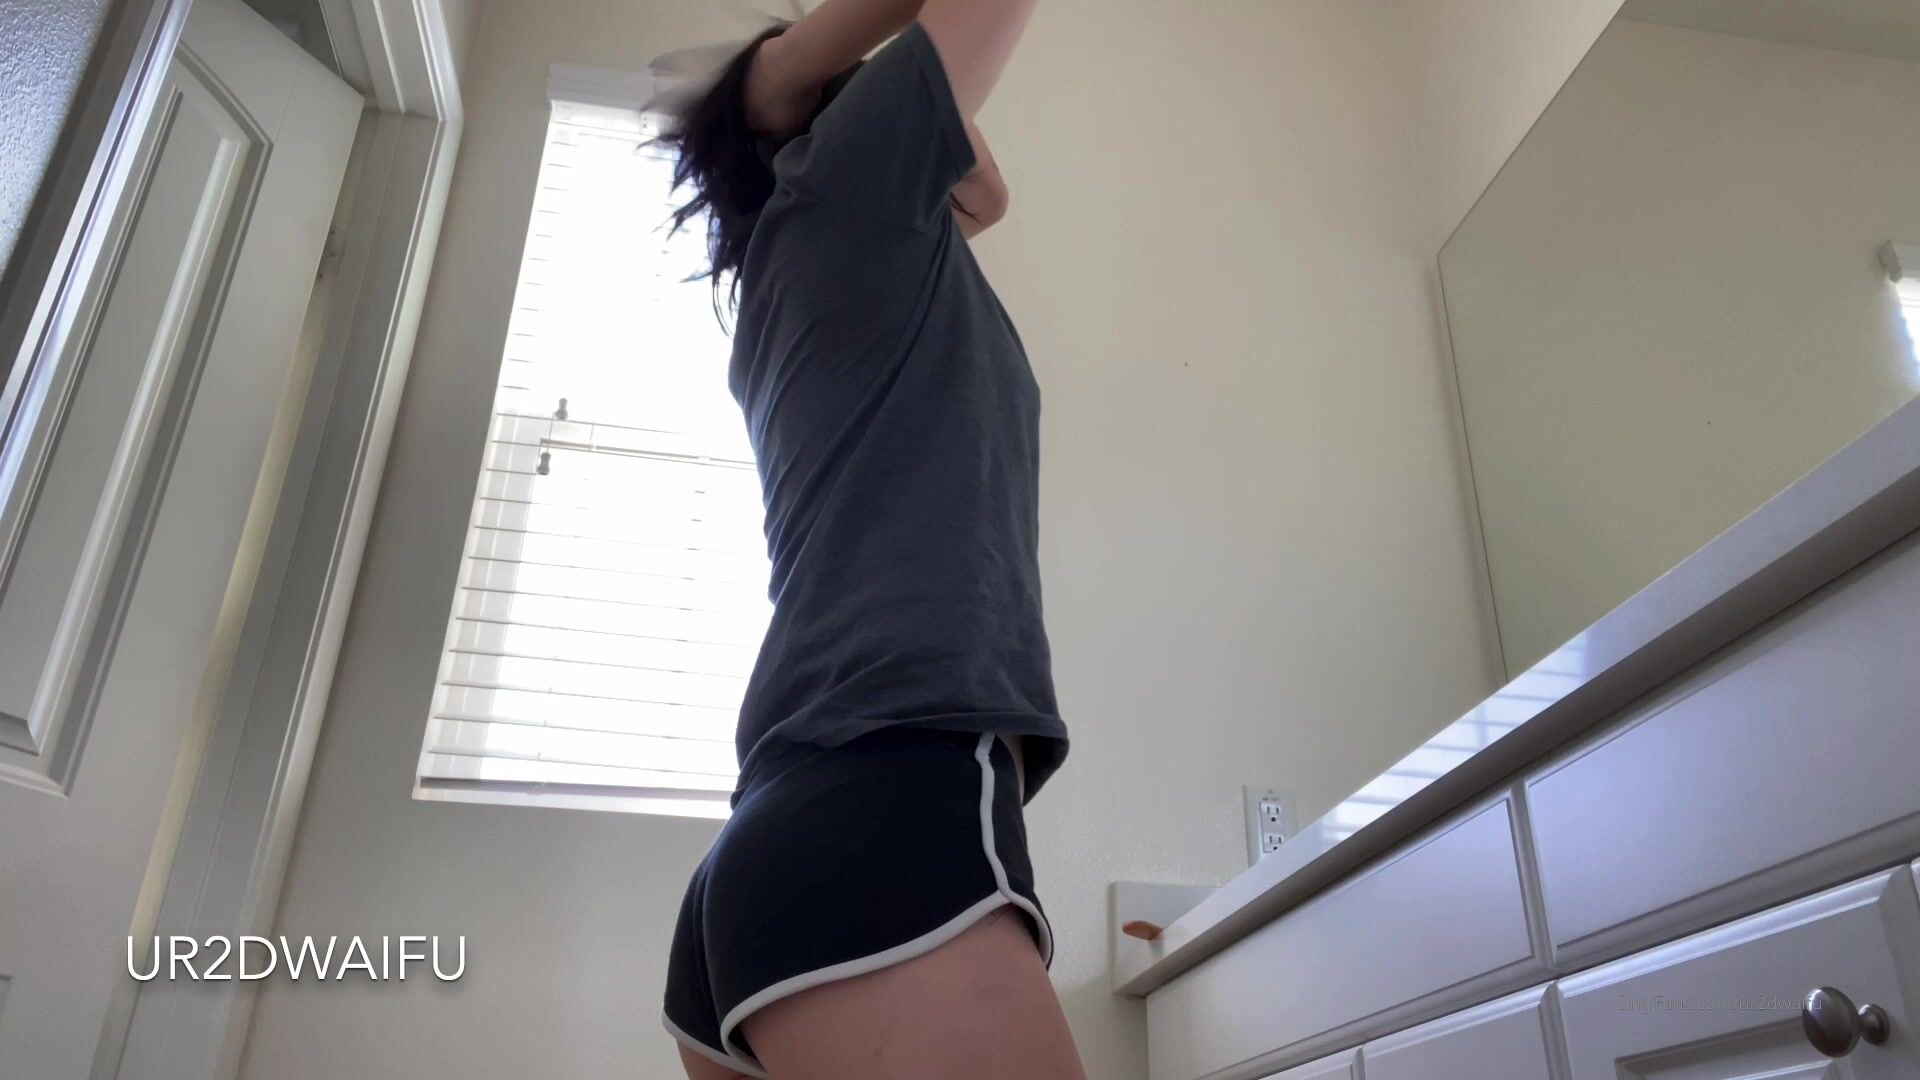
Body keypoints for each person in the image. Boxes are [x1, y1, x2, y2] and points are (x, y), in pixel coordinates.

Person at [653, 0, 1082, 1076]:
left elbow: (987, 197)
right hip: (887, 791)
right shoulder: (843, 195)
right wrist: (791, 64)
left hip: (792, 837)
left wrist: (786, 79)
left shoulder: (820, 257)